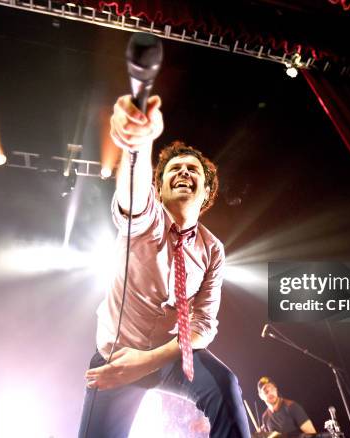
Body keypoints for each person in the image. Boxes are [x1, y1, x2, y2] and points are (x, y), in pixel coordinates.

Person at [77, 94, 251, 438]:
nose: (184, 172)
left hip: (170, 357)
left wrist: (147, 362)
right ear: (159, 187)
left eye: (193, 170)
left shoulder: (213, 250)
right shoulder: (145, 219)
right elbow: (133, 194)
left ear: (206, 192)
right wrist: (138, 145)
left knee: (224, 385)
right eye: (174, 168)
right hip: (115, 357)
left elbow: (203, 326)